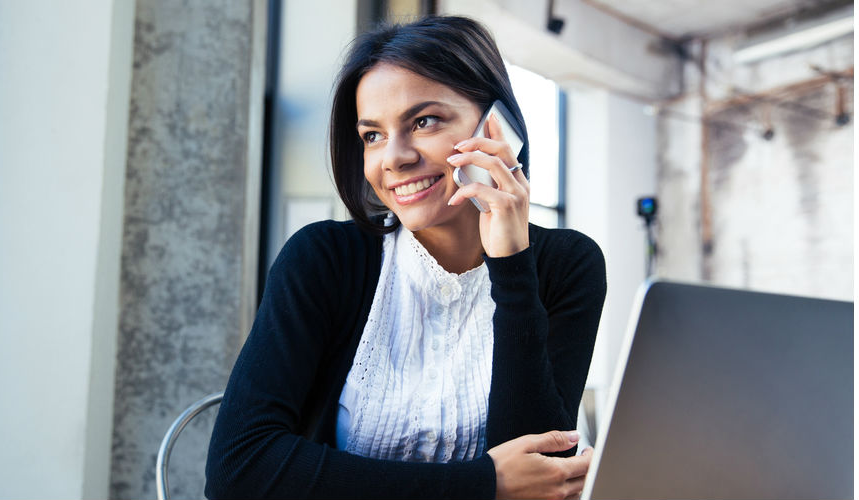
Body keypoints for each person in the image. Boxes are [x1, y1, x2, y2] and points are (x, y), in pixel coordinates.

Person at [206, 15, 606, 500]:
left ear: (494, 126)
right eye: (372, 135)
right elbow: (239, 470)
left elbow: (543, 478)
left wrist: (513, 267)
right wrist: (482, 485)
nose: (392, 158)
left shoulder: (568, 264)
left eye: (423, 122)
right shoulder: (325, 259)